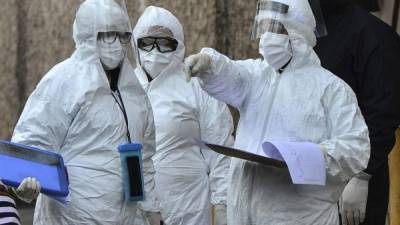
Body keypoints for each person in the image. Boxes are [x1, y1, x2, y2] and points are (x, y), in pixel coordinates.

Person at [183, 0, 371, 224]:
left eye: (274, 28)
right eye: (262, 28)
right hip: (244, 214)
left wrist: (312, 155)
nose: (265, 37)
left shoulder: (331, 89)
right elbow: (233, 75)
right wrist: (210, 64)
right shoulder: (259, 76)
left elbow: (356, 148)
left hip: (302, 217)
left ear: (296, 33)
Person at [11, 0, 157, 224]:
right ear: (88, 35)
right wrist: (25, 178)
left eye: (123, 36)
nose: (117, 44)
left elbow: (144, 154)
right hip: (72, 216)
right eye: (109, 35)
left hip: (126, 216)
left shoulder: (133, 91)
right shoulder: (64, 80)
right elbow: (34, 137)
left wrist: (151, 210)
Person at [132, 6, 234, 225]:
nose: (155, 51)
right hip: (137, 209)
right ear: (135, 43)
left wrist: (223, 205)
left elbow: (221, 148)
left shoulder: (195, 84)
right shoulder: (126, 88)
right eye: (147, 42)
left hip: (190, 206)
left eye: (165, 43)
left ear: (178, 45)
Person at [314, 1, 400, 225]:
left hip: (356, 179)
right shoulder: (305, 35)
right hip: (312, 176)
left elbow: (383, 113)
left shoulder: (373, 35)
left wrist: (363, 174)